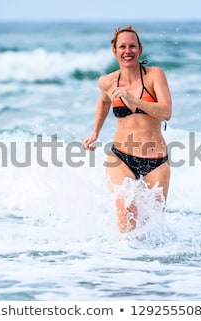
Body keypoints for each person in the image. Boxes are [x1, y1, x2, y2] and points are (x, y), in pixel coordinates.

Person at [83, 25, 172, 233]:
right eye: (122, 46)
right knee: (126, 210)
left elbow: (166, 111)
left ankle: (149, 264)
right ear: (115, 51)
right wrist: (95, 133)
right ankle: (124, 261)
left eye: (132, 46)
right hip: (120, 157)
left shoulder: (154, 76)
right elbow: (104, 102)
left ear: (140, 49)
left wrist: (133, 99)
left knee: (153, 224)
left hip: (156, 161)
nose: (127, 51)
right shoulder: (108, 82)